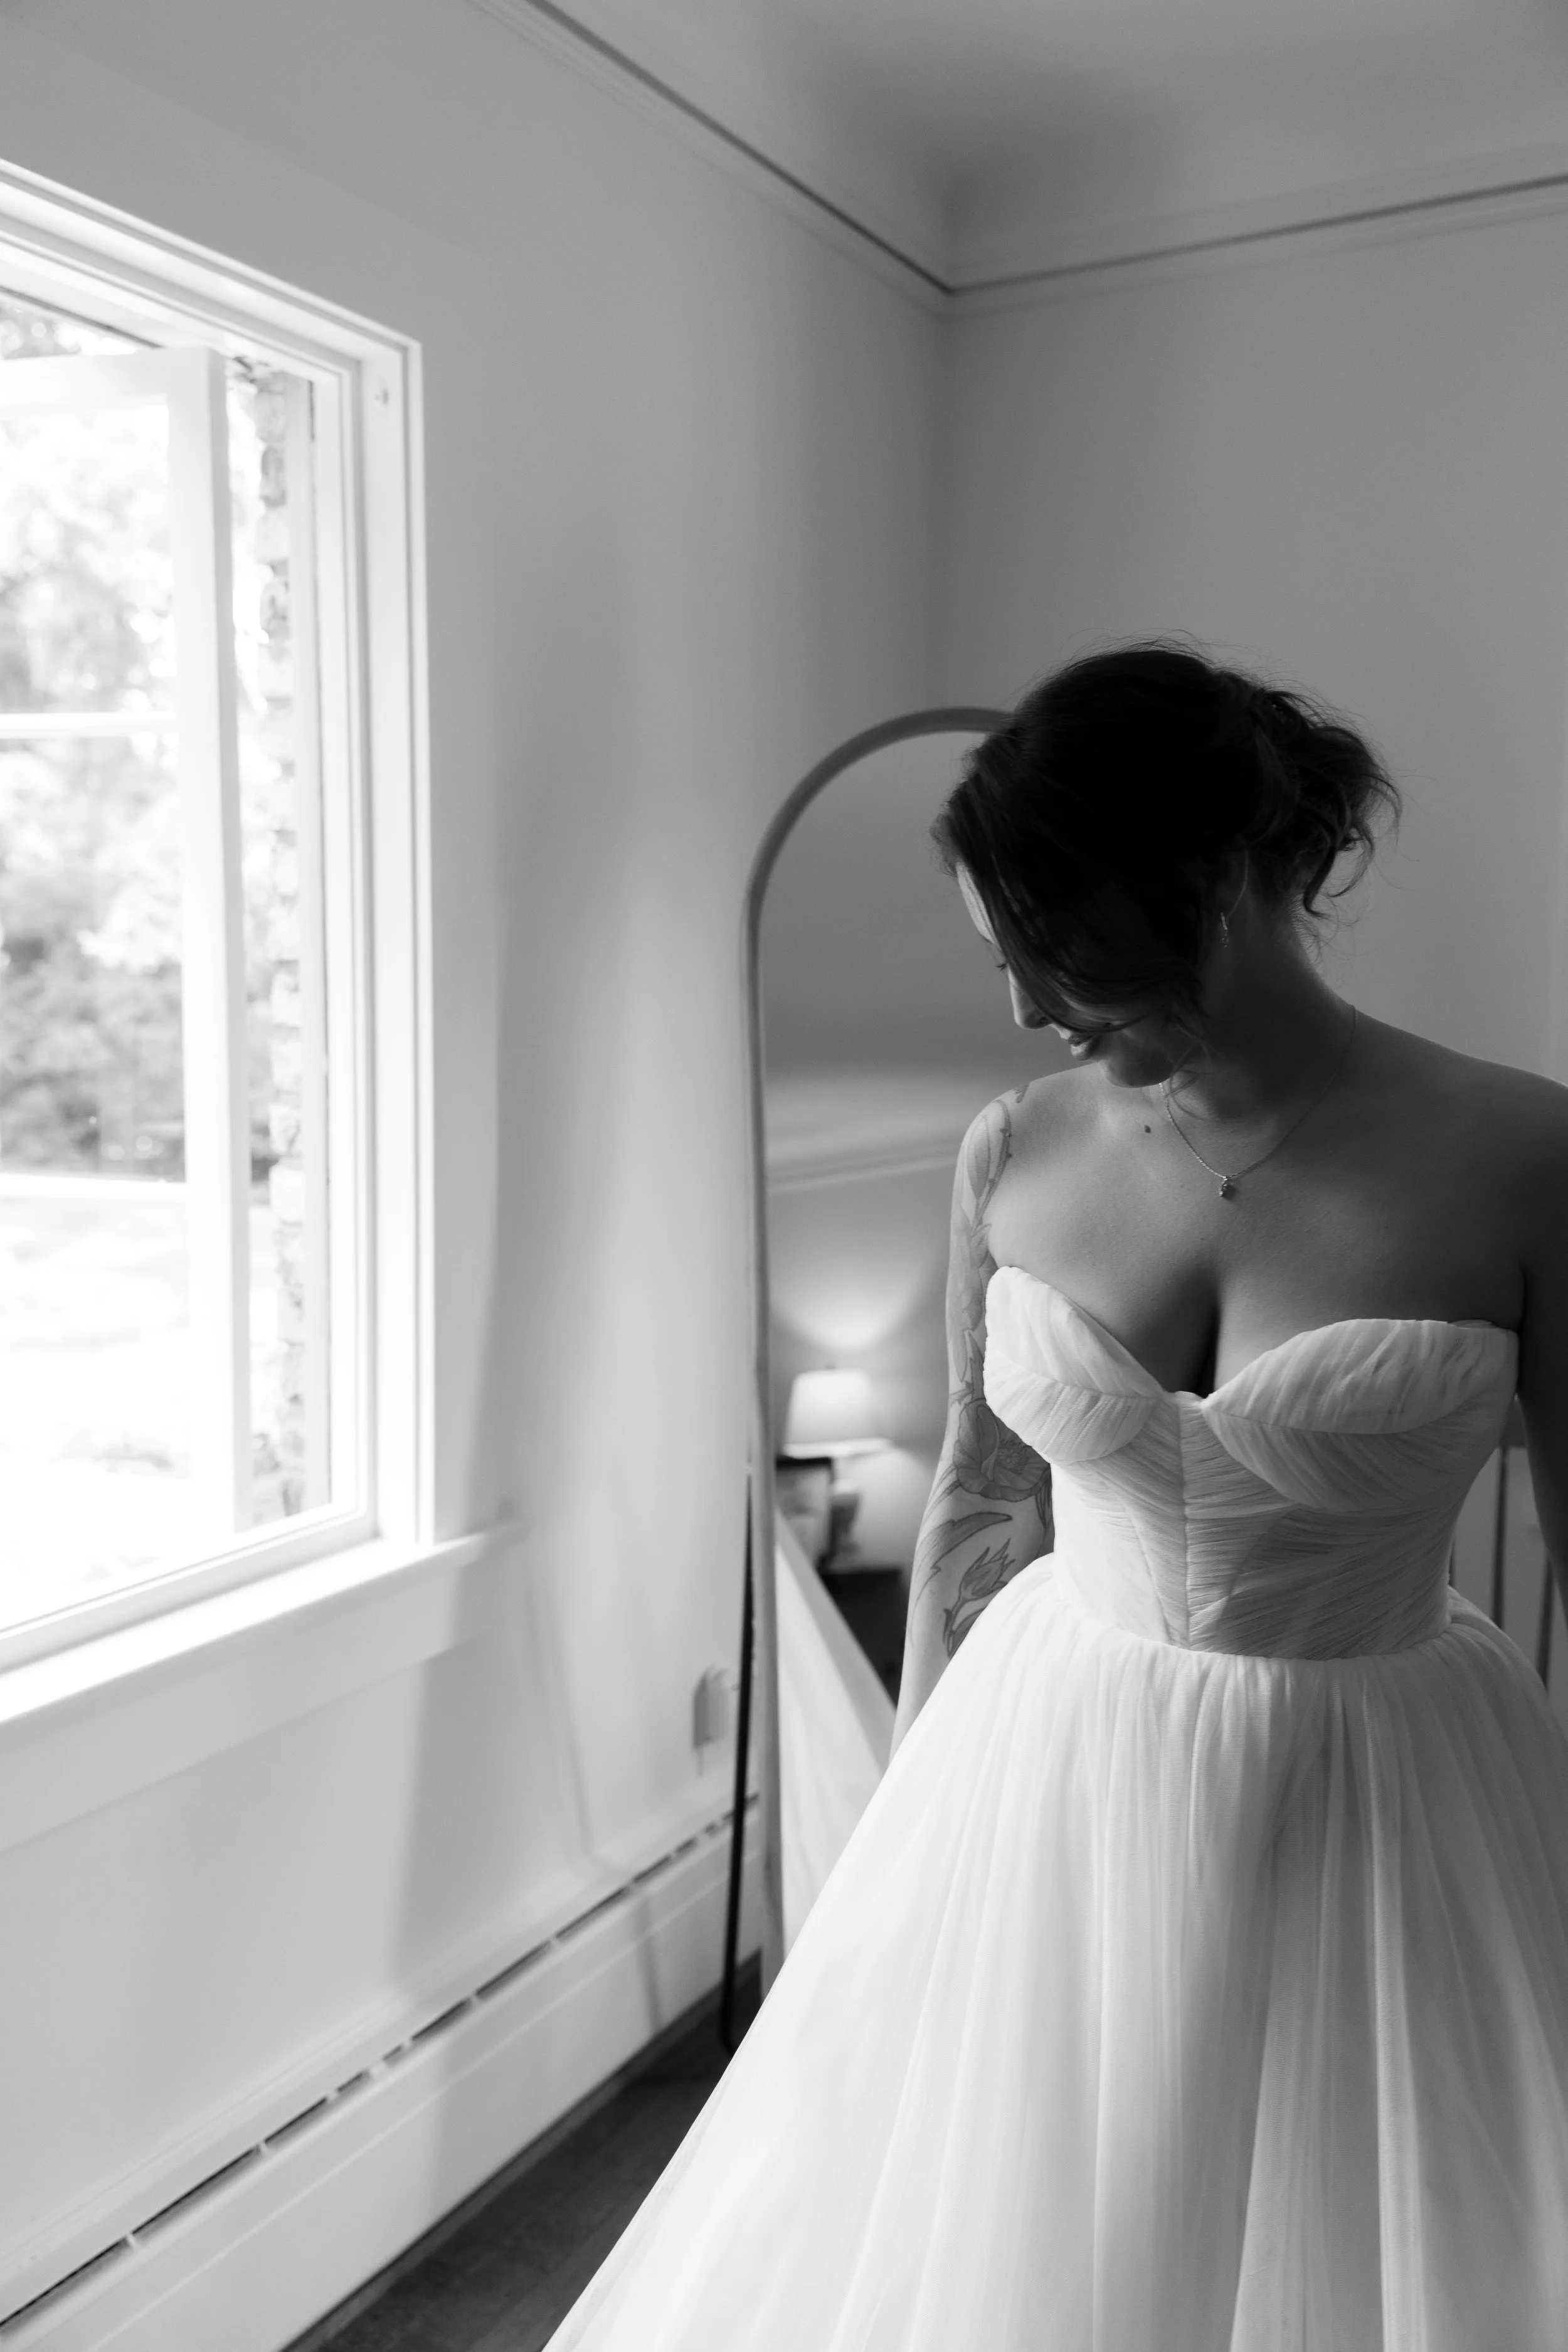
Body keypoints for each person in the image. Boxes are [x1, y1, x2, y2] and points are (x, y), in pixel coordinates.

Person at [548, 642, 1568, 2349]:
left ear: (1218, 877)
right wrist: (907, 1828)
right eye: (999, 949)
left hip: (1384, 1784)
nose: (1024, 1001)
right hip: (1043, 1759)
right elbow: (975, 1496)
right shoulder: (1013, 1144)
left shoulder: (1521, 1154)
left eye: (1052, 934)